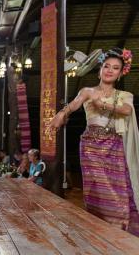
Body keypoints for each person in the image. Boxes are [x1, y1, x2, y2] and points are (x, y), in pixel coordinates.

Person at [50, 47, 139, 235]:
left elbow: (127, 110)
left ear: (120, 73)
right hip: (90, 146)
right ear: (100, 69)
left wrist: (103, 104)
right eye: (107, 66)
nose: (110, 70)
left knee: (119, 187)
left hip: (114, 146)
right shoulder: (87, 91)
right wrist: (61, 114)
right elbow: (73, 105)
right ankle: (98, 231)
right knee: (96, 188)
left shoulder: (124, 95)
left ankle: (119, 230)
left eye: (115, 68)